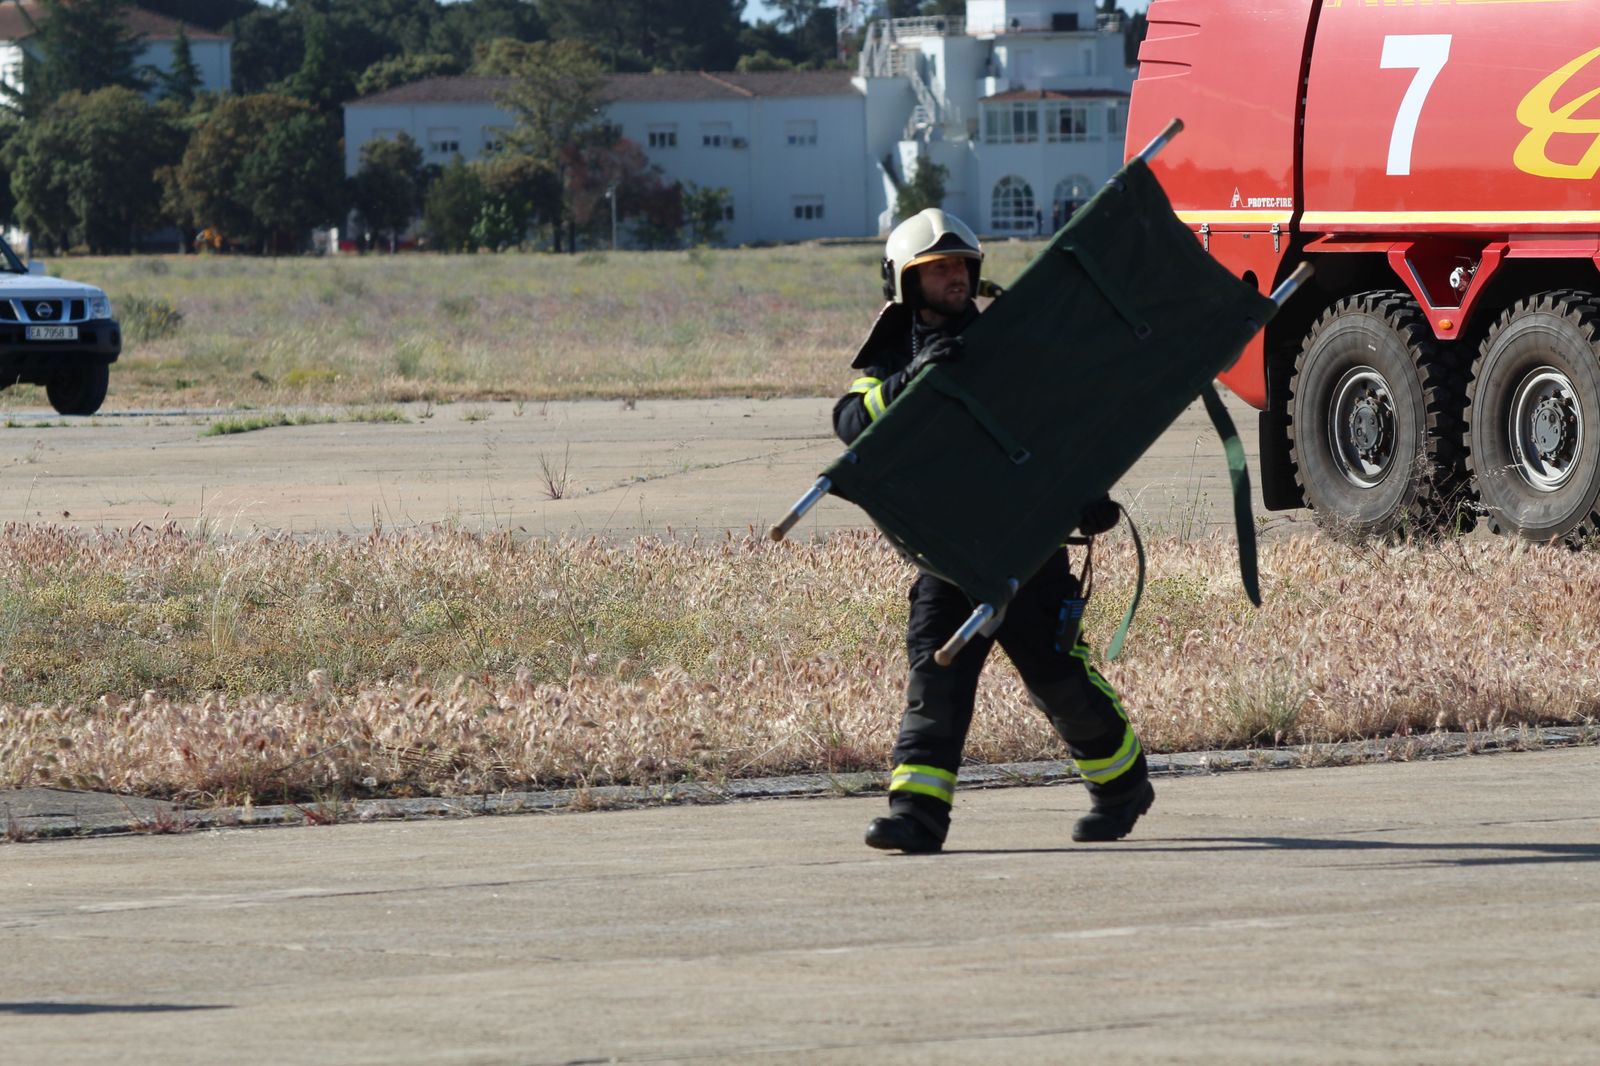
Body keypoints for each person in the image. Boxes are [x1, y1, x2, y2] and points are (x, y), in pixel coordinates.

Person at [833, 208, 1154, 854]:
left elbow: (1057, 429)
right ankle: (918, 814)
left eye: (960, 266)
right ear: (905, 282)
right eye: (938, 268)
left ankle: (1122, 783)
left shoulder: (1008, 338)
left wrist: (1088, 499)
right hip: (949, 548)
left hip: (1025, 542)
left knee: (1054, 678)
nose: (954, 277)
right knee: (936, 673)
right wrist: (908, 383)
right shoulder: (892, 356)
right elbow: (848, 422)